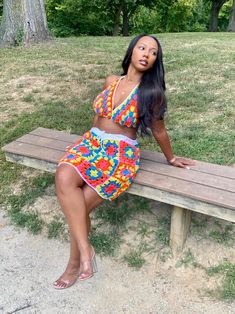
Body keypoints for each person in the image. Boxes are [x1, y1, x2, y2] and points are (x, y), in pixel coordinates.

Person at [53, 34, 195, 289]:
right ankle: (87, 251)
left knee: (79, 206)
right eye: (142, 48)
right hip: (92, 145)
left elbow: (159, 131)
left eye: (153, 52)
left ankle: (77, 261)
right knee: (64, 173)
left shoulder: (151, 93)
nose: (146, 54)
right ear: (131, 52)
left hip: (119, 156)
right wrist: (84, 143)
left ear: (155, 61)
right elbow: (98, 118)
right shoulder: (111, 81)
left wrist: (171, 158)